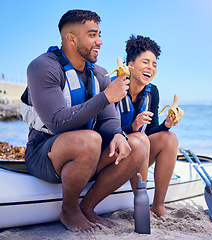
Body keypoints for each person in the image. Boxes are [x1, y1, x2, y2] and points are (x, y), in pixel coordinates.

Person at [22, 10, 147, 231]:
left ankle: (87, 208)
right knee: (90, 139)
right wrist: (107, 96)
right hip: (43, 152)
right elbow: (56, 122)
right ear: (71, 38)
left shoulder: (99, 74)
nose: (99, 41)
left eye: (99, 34)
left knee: (136, 144)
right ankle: (69, 210)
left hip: (88, 152)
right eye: (92, 35)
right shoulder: (43, 67)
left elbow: (109, 119)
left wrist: (118, 134)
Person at [118, 35, 179, 217]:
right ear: (130, 64)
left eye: (154, 64)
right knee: (139, 137)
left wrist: (165, 125)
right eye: (145, 62)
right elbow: (103, 128)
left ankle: (158, 205)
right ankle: (141, 203)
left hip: (138, 151)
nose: (150, 68)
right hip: (112, 153)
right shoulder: (115, 86)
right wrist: (133, 127)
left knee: (169, 138)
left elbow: (152, 131)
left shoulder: (152, 91)